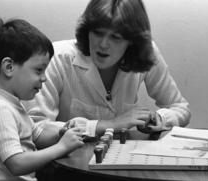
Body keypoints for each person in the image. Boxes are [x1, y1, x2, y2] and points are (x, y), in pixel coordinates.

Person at [25, 0, 191, 137]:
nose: (103, 44)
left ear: (132, 42)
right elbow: (36, 129)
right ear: (87, 31)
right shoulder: (58, 58)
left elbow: (180, 108)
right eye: (97, 33)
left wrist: (159, 119)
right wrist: (108, 125)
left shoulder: (148, 53)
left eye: (115, 37)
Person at [0, 15, 84, 181]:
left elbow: (37, 136)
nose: (44, 78)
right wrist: (61, 147)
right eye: (39, 70)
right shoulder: (0, 110)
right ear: (9, 67)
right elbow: (17, 163)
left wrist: (60, 133)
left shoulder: (12, 105)